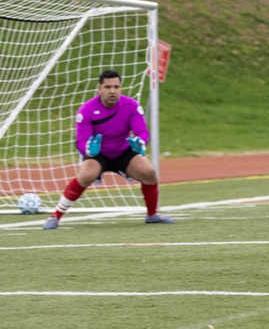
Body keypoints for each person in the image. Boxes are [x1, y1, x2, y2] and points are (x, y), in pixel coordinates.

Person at [43, 70, 174, 229]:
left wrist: (141, 142)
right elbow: (81, 141)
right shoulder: (86, 110)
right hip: (98, 154)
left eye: (116, 87)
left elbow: (142, 131)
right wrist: (89, 150)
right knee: (86, 175)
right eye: (107, 87)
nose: (112, 91)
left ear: (121, 88)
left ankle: (152, 215)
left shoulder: (131, 106)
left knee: (149, 172)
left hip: (123, 150)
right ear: (99, 88)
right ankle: (55, 216)